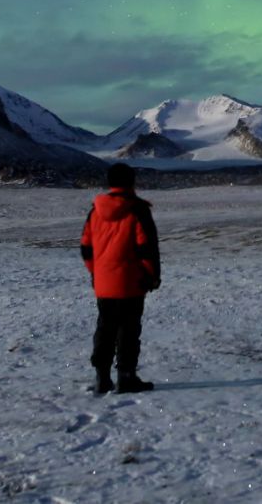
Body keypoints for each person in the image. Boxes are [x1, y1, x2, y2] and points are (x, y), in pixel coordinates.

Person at [80, 162, 161, 394]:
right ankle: (126, 377)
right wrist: (152, 276)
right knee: (128, 330)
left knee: (105, 328)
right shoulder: (137, 209)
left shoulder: (95, 211)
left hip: (104, 283)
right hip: (130, 282)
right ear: (132, 182)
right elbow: (147, 248)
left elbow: (86, 247)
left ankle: (102, 378)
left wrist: (97, 272)